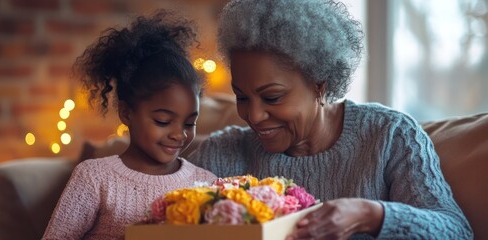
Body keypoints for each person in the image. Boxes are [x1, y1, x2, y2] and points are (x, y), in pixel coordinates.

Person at [189, 0, 473, 239]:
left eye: (272, 97)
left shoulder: (389, 135)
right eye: (242, 97)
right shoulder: (221, 154)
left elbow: (456, 230)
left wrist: (371, 216)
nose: (254, 116)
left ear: (319, 84)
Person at [43, 10, 217, 239]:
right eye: (163, 121)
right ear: (126, 112)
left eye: (189, 123)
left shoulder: (206, 183)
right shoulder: (95, 178)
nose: (179, 134)